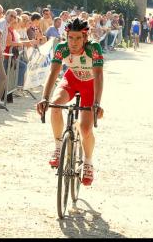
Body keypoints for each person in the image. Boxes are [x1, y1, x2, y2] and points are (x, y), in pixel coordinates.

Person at [36, 18, 104, 186]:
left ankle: (88, 161)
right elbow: (53, 73)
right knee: (55, 104)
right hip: (71, 80)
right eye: (70, 38)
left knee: (85, 128)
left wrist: (96, 102)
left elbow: (99, 75)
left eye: (78, 38)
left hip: (90, 85)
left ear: (85, 38)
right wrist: (44, 98)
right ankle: (58, 146)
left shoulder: (93, 48)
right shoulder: (62, 48)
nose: (73, 42)